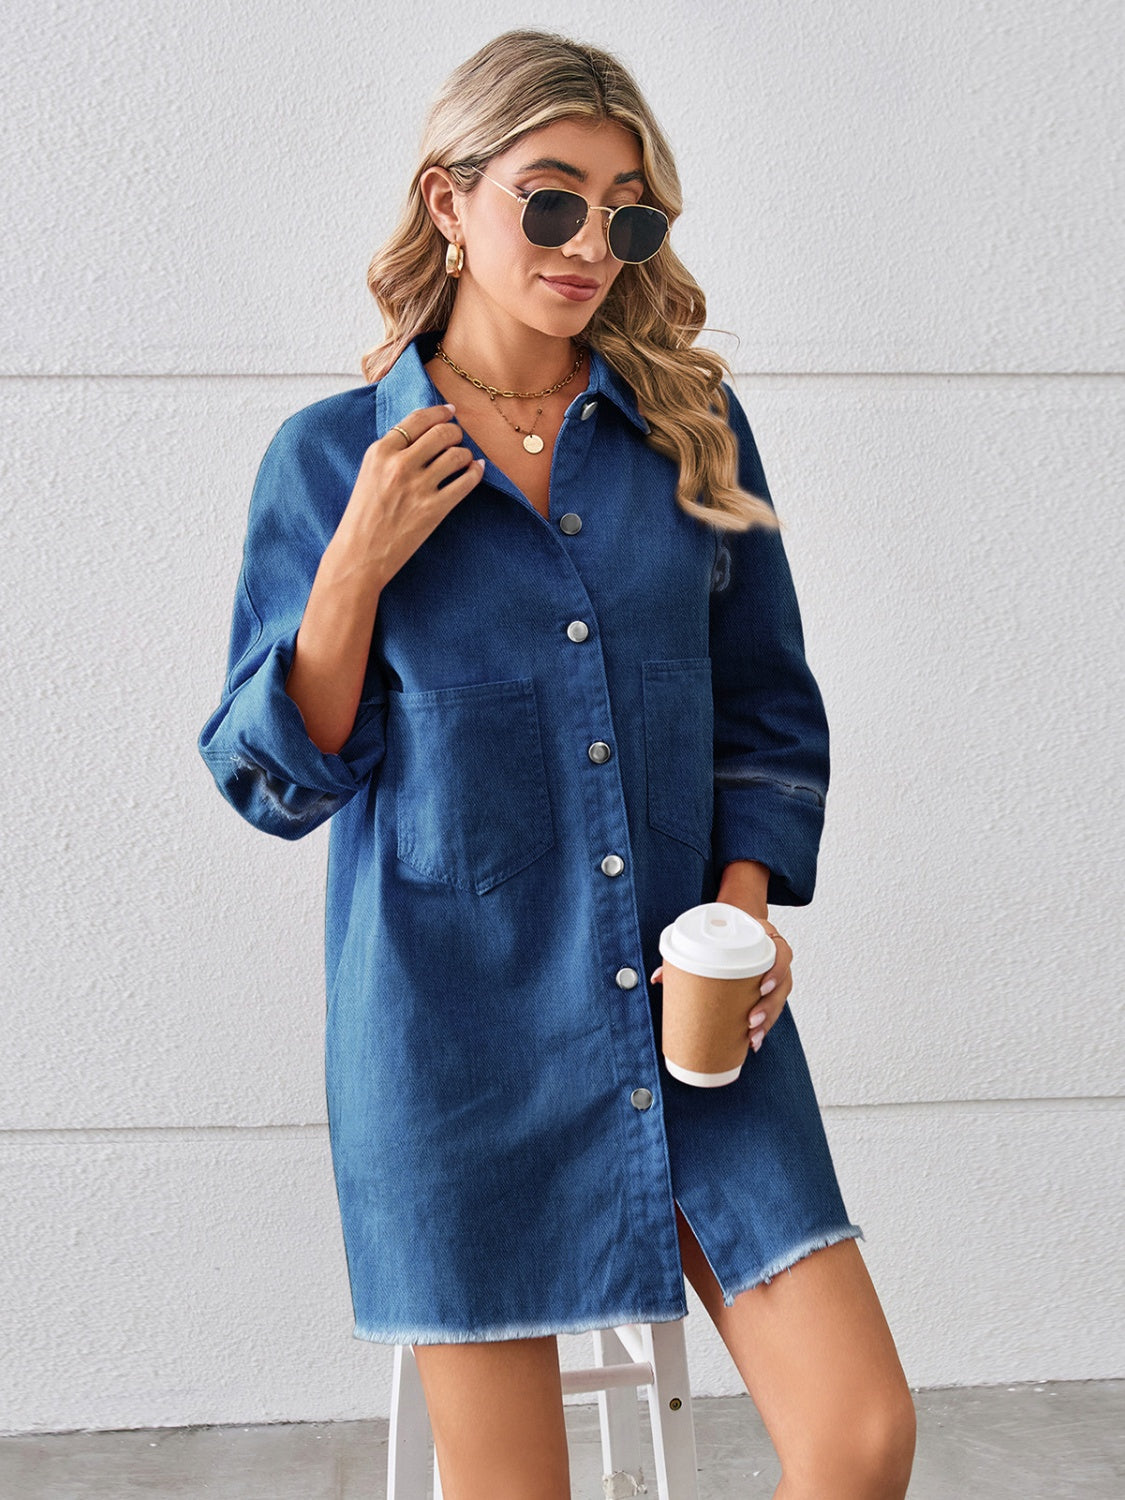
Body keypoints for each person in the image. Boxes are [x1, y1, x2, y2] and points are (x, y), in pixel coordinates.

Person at [198, 27, 915, 1500]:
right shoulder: (331, 462)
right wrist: (354, 569)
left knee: (859, 1439)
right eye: (551, 198)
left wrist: (741, 917)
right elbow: (273, 780)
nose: (592, 243)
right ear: (448, 201)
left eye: (627, 213)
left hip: (692, 1031)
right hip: (453, 1051)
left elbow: (767, 707)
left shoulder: (691, 434)